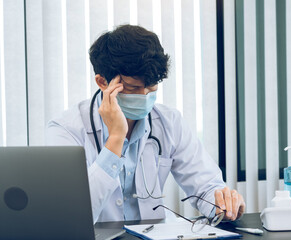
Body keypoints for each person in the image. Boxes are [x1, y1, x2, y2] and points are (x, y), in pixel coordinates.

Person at [46, 24, 245, 223]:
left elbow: (207, 186)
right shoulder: (66, 130)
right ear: (102, 82)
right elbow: (69, 215)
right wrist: (115, 139)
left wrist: (222, 203)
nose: (144, 96)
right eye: (133, 88)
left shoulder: (169, 122)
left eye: (151, 87)